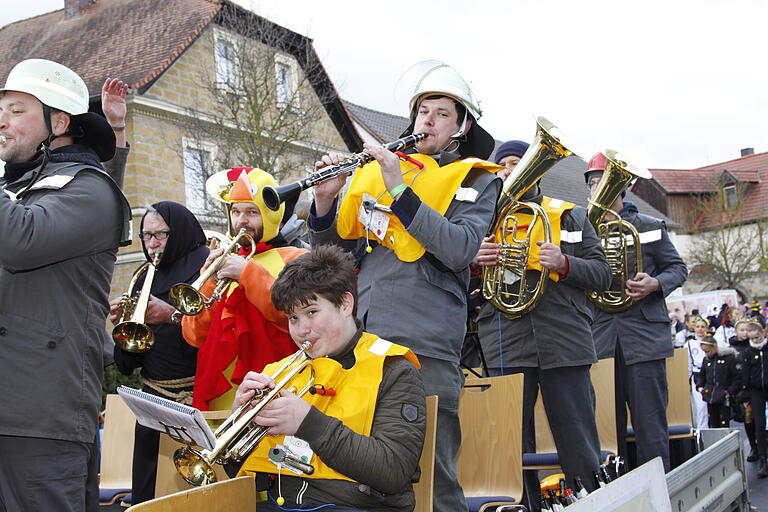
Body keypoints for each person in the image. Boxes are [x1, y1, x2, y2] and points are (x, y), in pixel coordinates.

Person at [308, 62, 500, 511]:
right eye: (423, 111)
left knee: (433, 477)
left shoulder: (476, 179)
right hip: (367, 341)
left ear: (463, 125)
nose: (428, 121)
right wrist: (325, 200)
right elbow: (332, 261)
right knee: (365, 477)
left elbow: (459, 249)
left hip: (426, 342)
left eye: (442, 113)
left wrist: (399, 190)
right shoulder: (380, 173)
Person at [0, 59, 131, 511]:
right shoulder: (14, 190)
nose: (2, 121)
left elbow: (21, 241)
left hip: (40, 417)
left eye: (17, 110)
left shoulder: (90, 190)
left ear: (59, 122)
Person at [233, 245, 426, 511]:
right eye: (292, 317)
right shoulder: (279, 372)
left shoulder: (394, 369)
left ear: (345, 304)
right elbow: (239, 476)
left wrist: (308, 423)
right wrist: (239, 425)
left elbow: (392, 472)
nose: (302, 330)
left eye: (312, 312)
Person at [473, 156, 612, 510]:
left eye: (519, 162)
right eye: (503, 165)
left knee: (578, 441)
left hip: (564, 341)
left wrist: (565, 263)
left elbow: (603, 274)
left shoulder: (570, 215)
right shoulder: (482, 217)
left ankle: (591, 502)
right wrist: (473, 262)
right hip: (505, 340)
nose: (511, 169)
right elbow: (453, 274)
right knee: (510, 445)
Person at [584, 152, 688, 472]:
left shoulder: (649, 225)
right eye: (593, 183)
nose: (597, 189)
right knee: (605, 428)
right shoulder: (582, 228)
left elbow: (678, 268)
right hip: (601, 338)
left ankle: (658, 490)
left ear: (621, 188)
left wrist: (655, 284)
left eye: (604, 182)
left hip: (643, 337)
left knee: (651, 424)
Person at [182, 167, 307, 411]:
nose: (241, 221)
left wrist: (247, 274)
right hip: (223, 400)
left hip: (276, 393)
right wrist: (208, 282)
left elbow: (295, 319)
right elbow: (195, 336)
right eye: (236, 212)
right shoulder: (224, 263)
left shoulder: (298, 257)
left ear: (271, 215)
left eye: (252, 212)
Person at [108, 201, 209, 504]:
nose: (152, 245)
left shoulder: (205, 266)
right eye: (146, 236)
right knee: (149, 493)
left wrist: (172, 316)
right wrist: (124, 327)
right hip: (153, 405)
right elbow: (127, 365)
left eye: (161, 235)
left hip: (199, 403)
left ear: (178, 232)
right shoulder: (143, 276)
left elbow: (217, 336)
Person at [739, 321, 768, 477]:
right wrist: (745, 394)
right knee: (759, 423)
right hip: (756, 390)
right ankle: (763, 459)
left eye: (757, 337)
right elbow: (745, 374)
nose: (756, 341)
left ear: (763, 333)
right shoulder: (748, 352)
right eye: (752, 338)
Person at [730, 319, 759, 461]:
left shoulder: (755, 344)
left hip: (758, 387)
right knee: (748, 419)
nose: (745, 333)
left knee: (760, 419)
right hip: (742, 389)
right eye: (742, 330)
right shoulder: (732, 349)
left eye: (747, 330)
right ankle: (753, 446)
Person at [695, 336, 739, 428]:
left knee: (724, 422)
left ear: (714, 347)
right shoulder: (706, 360)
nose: (707, 354)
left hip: (723, 394)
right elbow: (702, 375)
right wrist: (700, 387)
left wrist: (730, 391)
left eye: (708, 351)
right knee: (713, 422)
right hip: (710, 394)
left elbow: (736, 377)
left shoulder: (728, 359)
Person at [685, 317, 710, 429]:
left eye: (703, 327)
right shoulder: (689, 344)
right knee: (701, 406)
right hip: (698, 374)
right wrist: (688, 380)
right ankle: (702, 429)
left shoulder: (711, 342)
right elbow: (688, 363)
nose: (700, 329)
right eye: (698, 327)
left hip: (710, 373)